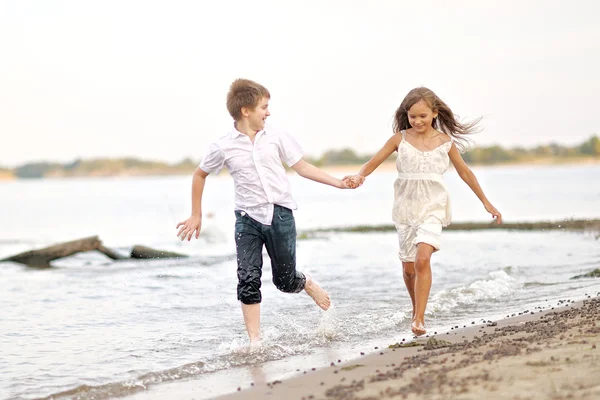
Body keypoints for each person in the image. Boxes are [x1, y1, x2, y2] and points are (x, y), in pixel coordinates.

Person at [176, 78, 355, 346]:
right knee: (247, 277)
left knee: (284, 281)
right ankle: (255, 341)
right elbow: (199, 175)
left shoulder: (276, 136)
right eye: (264, 107)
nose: (268, 112)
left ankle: (305, 282)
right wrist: (196, 214)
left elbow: (302, 167)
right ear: (246, 110)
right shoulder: (223, 145)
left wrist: (339, 183)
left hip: (280, 214)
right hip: (246, 220)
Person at [344, 87, 502, 336]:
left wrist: (485, 201)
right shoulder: (399, 139)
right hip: (406, 209)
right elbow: (373, 161)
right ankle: (415, 306)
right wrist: (359, 176)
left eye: (422, 116)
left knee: (422, 259)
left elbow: (465, 172)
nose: (417, 121)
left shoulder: (445, 143)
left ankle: (419, 318)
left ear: (434, 114)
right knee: (408, 269)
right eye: (412, 116)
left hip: (433, 206)